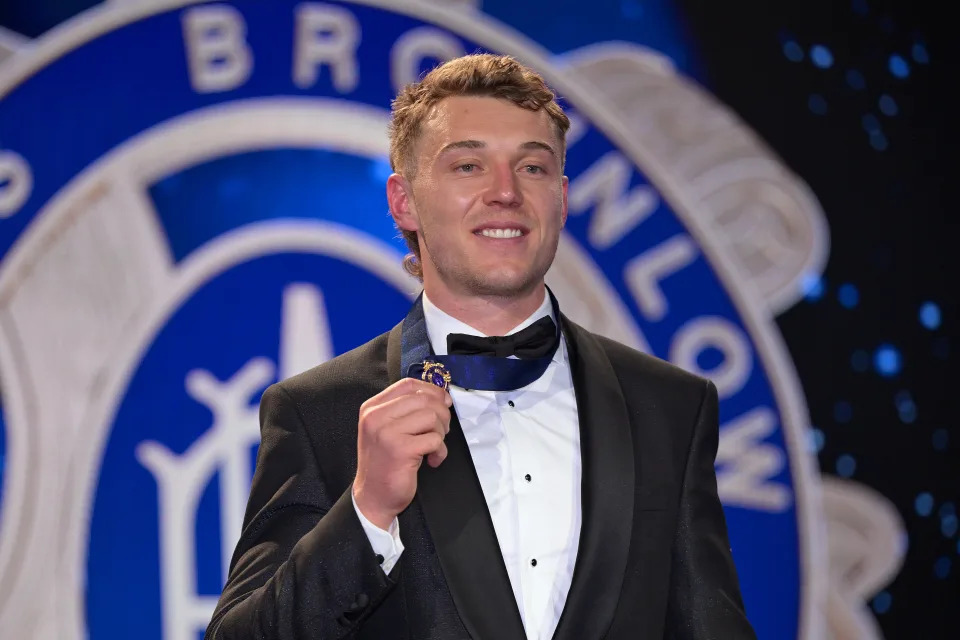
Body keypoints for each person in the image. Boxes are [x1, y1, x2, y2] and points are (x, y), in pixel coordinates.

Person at [205, 53, 757, 640]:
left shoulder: (669, 406)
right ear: (404, 201)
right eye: (468, 165)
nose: (505, 192)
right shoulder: (319, 412)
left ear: (562, 199)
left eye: (533, 168)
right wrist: (366, 510)